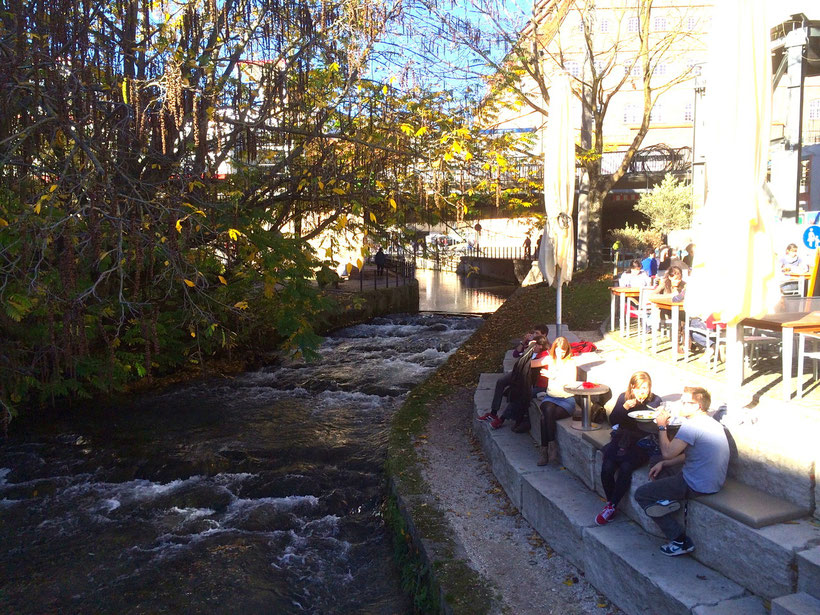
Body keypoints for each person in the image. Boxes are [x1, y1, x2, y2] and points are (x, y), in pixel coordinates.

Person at [634, 386, 729, 556]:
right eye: (682, 401)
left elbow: (667, 452)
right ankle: (665, 500)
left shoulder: (691, 426)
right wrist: (665, 464)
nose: (682, 405)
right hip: (712, 480)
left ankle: (680, 540)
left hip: (696, 484)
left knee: (642, 494)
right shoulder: (711, 423)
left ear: (697, 406)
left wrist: (661, 427)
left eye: (687, 402)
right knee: (659, 462)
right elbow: (693, 455)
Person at [595, 372, 662, 525]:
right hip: (622, 438)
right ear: (632, 387)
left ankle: (611, 506)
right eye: (639, 388)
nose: (642, 392)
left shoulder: (655, 400)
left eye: (645, 388)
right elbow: (614, 420)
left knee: (626, 467)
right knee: (607, 467)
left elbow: (655, 425)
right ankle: (611, 504)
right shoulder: (623, 398)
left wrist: (654, 412)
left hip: (642, 440)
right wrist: (624, 407)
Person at [479, 335, 549, 430]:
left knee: (520, 393)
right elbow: (517, 356)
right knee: (503, 383)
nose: (532, 346)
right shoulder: (535, 351)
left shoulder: (545, 356)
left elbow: (526, 364)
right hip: (524, 377)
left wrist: (528, 349)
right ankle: (494, 413)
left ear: (540, 346)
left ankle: (502, 419)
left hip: (538, 385)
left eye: (534, 345)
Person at [536, 337, 577, 466]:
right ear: (554, 350)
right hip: (551, 397)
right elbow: (532, 363)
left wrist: (553, 376)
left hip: (566, 399)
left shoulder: (570, 363)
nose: (561, 354)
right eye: (559, 351)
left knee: (544, 418)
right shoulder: (550, 359)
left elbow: (571, 383)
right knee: (548, 409)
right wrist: (527, 349)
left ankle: (545, 450)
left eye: (563, 351)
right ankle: (551, 444)